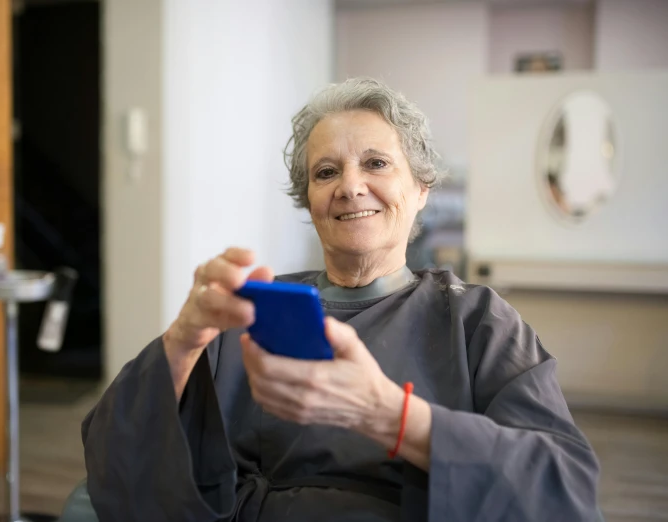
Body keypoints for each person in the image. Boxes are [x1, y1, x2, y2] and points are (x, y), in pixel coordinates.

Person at [81, 78, 600, 521]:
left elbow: (563, 488)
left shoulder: (476, 320)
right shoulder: (252, 309)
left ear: (421, 189)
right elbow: (115, 454)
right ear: (307, 201)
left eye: (375, 163)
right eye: (326, 172)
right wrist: (182, 339)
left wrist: (388, 415)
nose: (351, 187)